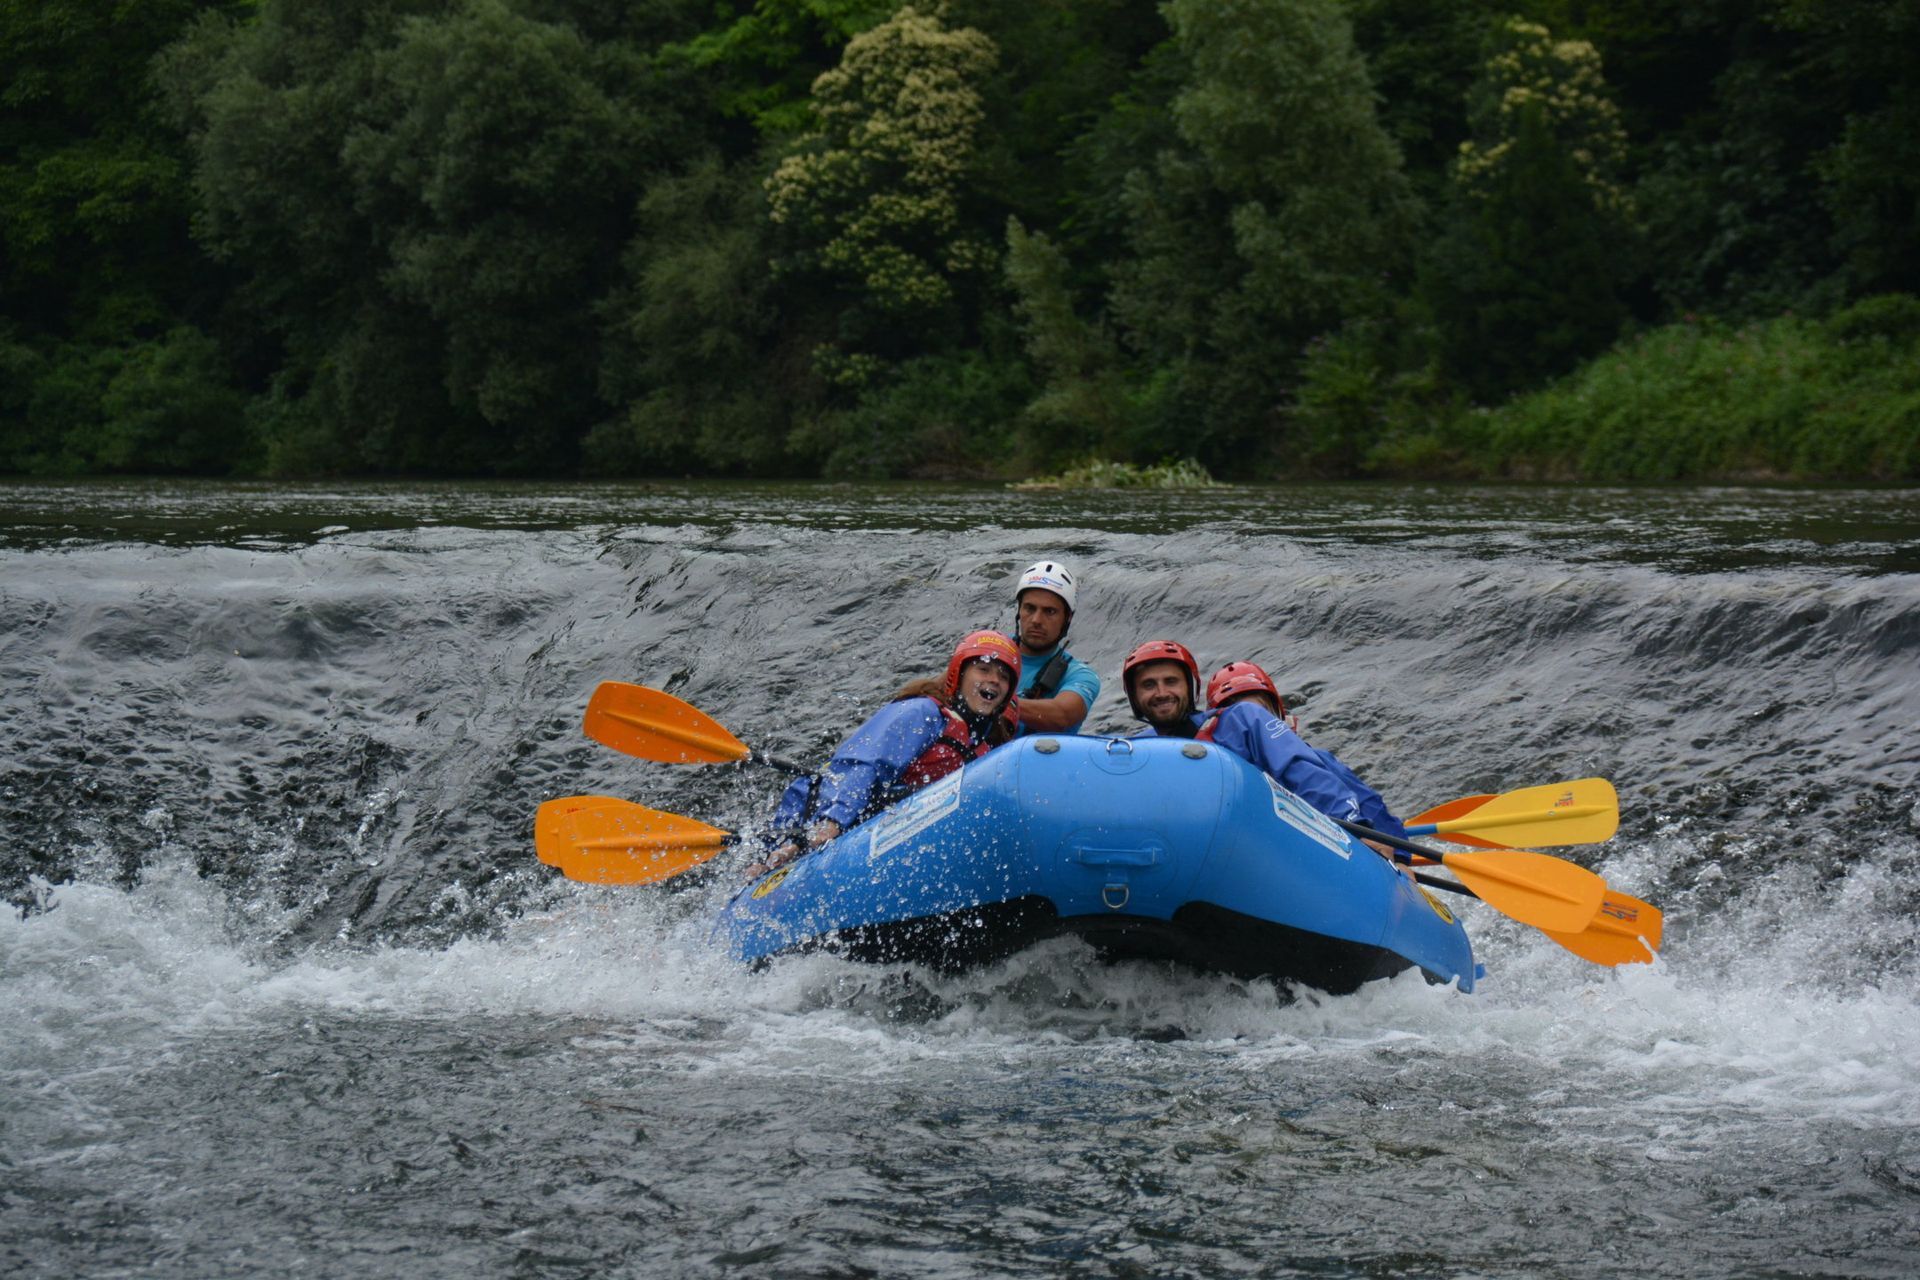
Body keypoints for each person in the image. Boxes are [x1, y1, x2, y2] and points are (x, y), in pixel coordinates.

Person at [745, 630, 1021, 876]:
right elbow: (863, 765)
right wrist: (832, 820)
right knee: (777, 857)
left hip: (882, 833)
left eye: (1003, 676)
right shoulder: (923, 713)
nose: (994, 680)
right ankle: (766, 860)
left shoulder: (983, 754)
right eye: (984, 670)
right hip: (823, 812)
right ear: (958, 675)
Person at [1119, 642, 1403, 844]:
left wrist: (1361, 830)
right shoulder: (1136, 748)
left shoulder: (1243, 720)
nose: (1161, 692)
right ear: (1135, 697)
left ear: (1189, 688)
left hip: (1276, 840)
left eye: (1171, 681)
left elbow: (1302, 770)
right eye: (1148, 685)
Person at [1200, 661, 1410, 842]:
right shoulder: (1218, 766)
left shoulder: (1316, 760)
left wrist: (1398, 858)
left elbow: (1368, 804)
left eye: (1263, 714)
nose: (1257, 723)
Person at [1007, 559, 1099, 735]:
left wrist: (995, 702)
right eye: (1029, 608)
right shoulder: (988, 649)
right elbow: (941, 692)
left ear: (1068, 618)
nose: (1036, 620)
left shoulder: (1081, 676)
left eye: (1050, 612)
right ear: (1019, 611)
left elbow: (1062, 716)